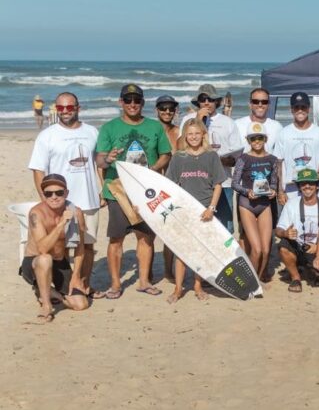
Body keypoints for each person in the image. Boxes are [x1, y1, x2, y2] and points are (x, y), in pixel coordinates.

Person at [95, 83, 172, 299]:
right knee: (116, 239)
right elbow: (99, 159)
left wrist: (153, 169)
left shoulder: (155, 127)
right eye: (127, 100)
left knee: (146, 237)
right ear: (121, 102)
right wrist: (107, 158)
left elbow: (166, 153)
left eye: (136, 100)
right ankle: (115, 284)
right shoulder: (109, 128)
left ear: (142, 103)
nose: (132, 104)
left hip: (147, 191)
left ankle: (144, 281)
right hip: (117, 192)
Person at [28, 92, 102, 294]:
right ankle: (53, 286)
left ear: (78, 107)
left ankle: (84, 285)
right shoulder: (47, 135)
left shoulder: (92, 132)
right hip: (58, 201)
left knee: (86, 246)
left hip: (88, 199)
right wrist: (46, 200)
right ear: (56, 109)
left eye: (70, 107)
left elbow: (99, 163)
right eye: (60, 108)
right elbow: (38, 170)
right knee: (57, 247)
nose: (65, 111)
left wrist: (102, 188)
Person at [165, 119, 226, 303]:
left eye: (197, 133)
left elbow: (218, 185)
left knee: (200, 250)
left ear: (203, 135)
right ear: (185, 136)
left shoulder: (212, 156)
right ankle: (178, 288)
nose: (193, 137)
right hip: (184, 211)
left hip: (204, 210)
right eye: (190, 134)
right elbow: (170, 185)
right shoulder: (178, 157)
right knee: (182, 251)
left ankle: (197, 285)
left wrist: (211, 208)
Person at [21, 174, 90, 322]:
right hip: (35, 262)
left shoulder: (76, 212)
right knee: (45, 259)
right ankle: (46, 306)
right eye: (48, 193)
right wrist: (61, 224)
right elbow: (43, 249)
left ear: (66, 193)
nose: (54, 197)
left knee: (81, 305)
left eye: (59, 192)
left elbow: (80, 248)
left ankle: (53, 293)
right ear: (43, 195)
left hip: (59, 262)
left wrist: (76, 276)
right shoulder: (36, 213)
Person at [179, 84, 242, 233]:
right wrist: (198, 120)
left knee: (224, 228)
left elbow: (235, 158)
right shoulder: (188, 119)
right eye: (203, 99)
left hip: (223, 182)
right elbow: (179, 148)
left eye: (211, 99)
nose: (207, 102)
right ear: (198, 102)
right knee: (196, 227)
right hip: (194, 183)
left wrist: (215, 161)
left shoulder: (228, 122)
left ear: (217, 102)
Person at [232, 122, 281, 280]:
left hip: (264, 204)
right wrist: (247, 192)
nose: (257, 141)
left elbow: (274, 181)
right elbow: (234, 183)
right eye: (253, 139)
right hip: (247, 204)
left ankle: (258, 280)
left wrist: (273, 190)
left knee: (266, 250)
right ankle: (249, 281)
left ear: (265, 139)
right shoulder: (243, 159)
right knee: (257, 249)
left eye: (260, 138)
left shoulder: (273, 159)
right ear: (248, 140)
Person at [274, 168, 319, 293]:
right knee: (283, 246)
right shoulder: (291, 204)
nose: (307, 186)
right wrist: (285, 233)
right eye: (303, 183)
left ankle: (316, 271)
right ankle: (296, 277)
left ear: (318, 186)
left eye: (311, 183)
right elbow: (278, 230)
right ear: (299, 186)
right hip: (299, 246)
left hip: (318, 248)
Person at [273, 92, 319, 202]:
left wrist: (315, 178)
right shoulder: (283, 133)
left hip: (313, 187)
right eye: (296, 107)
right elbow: (278, 163)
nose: (300, 110)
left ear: (308, 109)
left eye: (303, 107)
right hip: (291, 188)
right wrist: (280, 190)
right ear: (291, 109)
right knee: (291, 218)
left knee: (314, 218)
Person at [154, 94, 180, 282]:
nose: (167, 112)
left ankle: (168, 270)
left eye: (171, 109)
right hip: (154, 184)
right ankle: (147, 270)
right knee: (148, 232)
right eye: (163, 108)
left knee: (171, 230)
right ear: (157, 110)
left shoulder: (178, 131)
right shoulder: (151, 129)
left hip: (175, 185)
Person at [234, 88, 283, 155]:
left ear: (268, 105)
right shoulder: (237, 125)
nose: (260, 105)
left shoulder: (277, 126)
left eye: (264, 102)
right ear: (250, 104)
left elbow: (281, 154)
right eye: (256, 102)